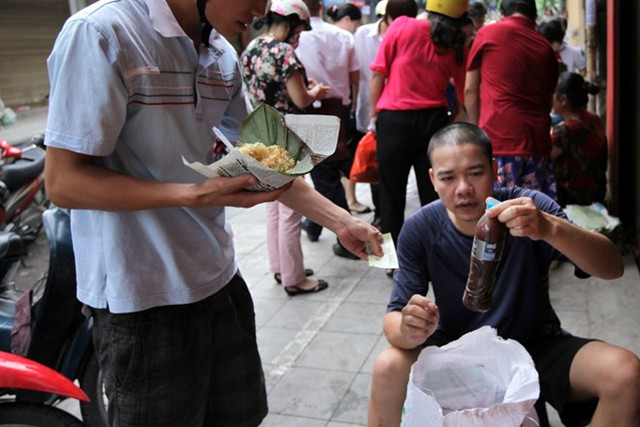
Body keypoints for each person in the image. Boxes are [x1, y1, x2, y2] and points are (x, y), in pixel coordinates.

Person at [44, 0, 383, 425]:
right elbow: (63, 182)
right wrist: (193, 194)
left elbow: (270, 160)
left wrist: (342, 220)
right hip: (143, 297)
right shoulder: (103, 34)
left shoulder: (222, 53)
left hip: (219, 280)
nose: (261, 9)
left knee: (240, 416)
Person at [367, 122, 640, 427]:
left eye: (475, 173)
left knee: (625, 372)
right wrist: (409, 326)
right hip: (457, 349)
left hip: (535, 344)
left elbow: (612, 268)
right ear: (432, 179)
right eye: (448, 177)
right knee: (388, 365)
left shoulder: (529, 208)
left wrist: (550, 228)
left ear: (495, 170)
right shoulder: (421, 228)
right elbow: (394, 320)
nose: (463, 189)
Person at [369, 0, 469, 275]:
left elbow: (378, 73)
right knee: (435, 193)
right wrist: (456, 116)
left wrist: (374, 116)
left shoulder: (401, 26)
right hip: (433, 122)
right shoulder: (456, 42)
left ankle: (390, 261)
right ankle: (438, 256)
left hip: (394, 121)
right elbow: (463, 92)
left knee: (391, 194)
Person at [241, 0, 331, 296]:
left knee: (274, 204)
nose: (300, 35)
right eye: (300, 29)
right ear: (292, 23)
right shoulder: (283, 52)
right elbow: (301, 99)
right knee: (293, 208)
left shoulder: (251, 48)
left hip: (260, 135)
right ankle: (294, 278)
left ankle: (280, 267)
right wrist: (315, 91)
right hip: (287, 137)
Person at [465, 0, 559, 199]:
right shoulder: (546, 48)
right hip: (537, 143)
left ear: (502, 14)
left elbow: (469, 89)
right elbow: (549, 101)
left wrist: (476, 133)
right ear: (534, 17)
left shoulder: (487, 34)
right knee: (532, 216)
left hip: (499, 139)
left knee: (497, 214)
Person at [295, 0, 362, 259]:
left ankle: (348, 236)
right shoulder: (343, 36)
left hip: (312, 109)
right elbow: (355, 77)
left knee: (324, 173)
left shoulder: (298, 38)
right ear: (322, 7)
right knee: (329, 169)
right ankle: (313, 224)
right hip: (341, 109)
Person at [551, 72, 607, 207]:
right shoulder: (595, 119)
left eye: (553, 94)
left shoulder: (565, 130)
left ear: (563, 99)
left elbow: (543, 156)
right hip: (597, 194)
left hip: (574, 198)